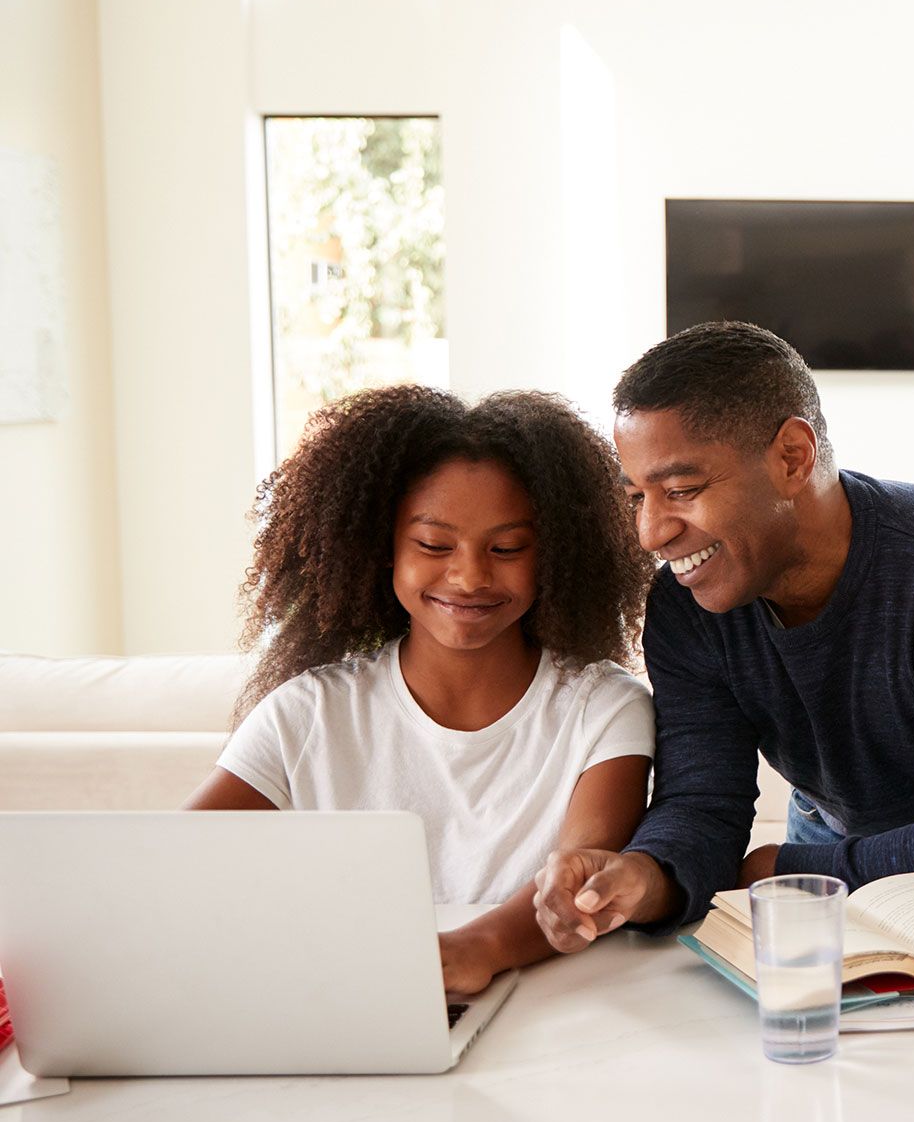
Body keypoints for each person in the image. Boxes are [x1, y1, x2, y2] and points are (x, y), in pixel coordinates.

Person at [532, 322, 914, 950]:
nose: (651, 533)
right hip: (827, 860)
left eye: (681, 490)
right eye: (636, 497)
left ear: (792, 457)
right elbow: (703, 803)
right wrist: (645, 874)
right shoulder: (688, 607)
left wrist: (783, 870)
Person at [185, 385, 657, 993]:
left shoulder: (604, 708)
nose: (469, 576)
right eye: (434, 545)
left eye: (508, 548)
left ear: (556, 555)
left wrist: (476, 949)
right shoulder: (308, 715)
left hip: (554, 1009)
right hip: (354, 998)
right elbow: (175, 868)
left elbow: (578, 882)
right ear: (382, 548)